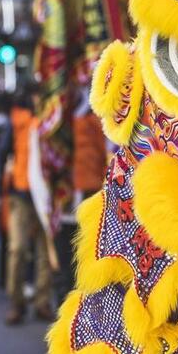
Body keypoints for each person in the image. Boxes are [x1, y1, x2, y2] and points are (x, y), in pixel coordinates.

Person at [4, 91, 52, 325]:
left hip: (46, 194)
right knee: (18, 249)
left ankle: (42, 301)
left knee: (45, 251)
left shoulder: (54, 120)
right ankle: (17, 302)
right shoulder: (17, 123)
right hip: (21, 193)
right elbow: (4, 152)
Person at [54, 96, 107, 305]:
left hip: (90, 195)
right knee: (65, 254)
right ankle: (65, 302)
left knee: (83, 255)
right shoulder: (59, 116)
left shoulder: (97, 116)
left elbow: (106, 154)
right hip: (64, 196)